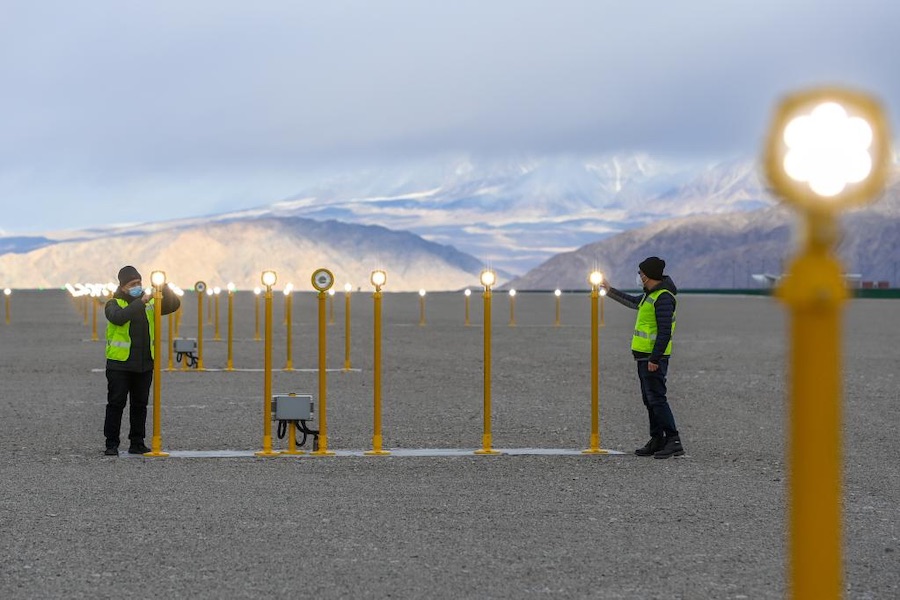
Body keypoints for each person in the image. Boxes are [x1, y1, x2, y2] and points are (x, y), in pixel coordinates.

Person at [602, 256, 684, 459]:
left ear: (647, 275)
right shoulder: (650, 295)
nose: (638, 276)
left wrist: (655, 359)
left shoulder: (663, 297)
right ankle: (657, 439)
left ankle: (673, 440)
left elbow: (664, 332)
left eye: (640, 273)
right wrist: (608, 290)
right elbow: (632, 302)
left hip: (653, 358)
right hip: (643, 357)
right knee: (649, 400)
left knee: (657, 399)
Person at [103, 265, 181, 456]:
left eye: (139, 282)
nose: (138, 286)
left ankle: (137, 442)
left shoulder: (150, 304)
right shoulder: (113, 304)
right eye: (133, 284)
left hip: (144, 364)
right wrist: (141, 301)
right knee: (116, 404)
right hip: (119, 364)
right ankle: (111, 443)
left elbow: (172, 305)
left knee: (140, 405)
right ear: (123, 287)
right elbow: (119, 318)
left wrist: (164, 287)